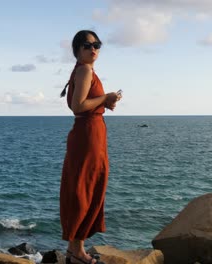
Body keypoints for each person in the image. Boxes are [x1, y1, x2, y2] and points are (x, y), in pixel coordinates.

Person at [59, 30, 122, 264]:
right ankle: (77, 252)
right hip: (88, 135)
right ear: (77, 50)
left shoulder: (82, 70)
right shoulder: (84, 70)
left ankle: (75, 250)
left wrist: (105, 102)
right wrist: (105, 98)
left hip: (88, 133)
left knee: (83, 188)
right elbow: (79, 106)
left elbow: (85, 105)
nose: (93, 48)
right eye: (87, 45)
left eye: (97, 44)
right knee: (85, 188)